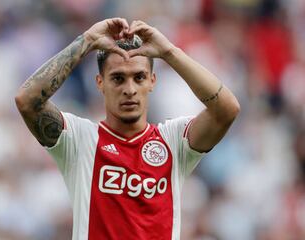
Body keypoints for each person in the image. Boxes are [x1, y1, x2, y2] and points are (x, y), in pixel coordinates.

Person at [15, 18, 240, 240]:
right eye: (118, 78)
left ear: (152, 81)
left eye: (139, 77)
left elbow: (226, 109)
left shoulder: (172, 141)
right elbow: (27, 100)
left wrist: (169, 52)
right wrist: (87, 40)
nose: (129, 89)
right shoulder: (79, 140)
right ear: (100, 83)